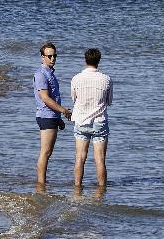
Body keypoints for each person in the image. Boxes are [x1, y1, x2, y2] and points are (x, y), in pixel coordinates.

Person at [70, 48, 112, 188]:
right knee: (100, 159)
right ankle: (101, 191)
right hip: (99, 121)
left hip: (81, 121)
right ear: (98, 61)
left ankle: (77, 188)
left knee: (80, 158)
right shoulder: (106, 79)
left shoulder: (76, 78)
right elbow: (109, 102)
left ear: (85, 60)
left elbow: (74, 99)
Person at [34, 41, 72, 185]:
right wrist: (63, 111)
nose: (52, 59)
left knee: (47, 153)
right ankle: (41, 184)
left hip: (51, 116)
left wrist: (58, 118)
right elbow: (45, 98)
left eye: (54, 56)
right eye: (49, 56)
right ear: (42, 57)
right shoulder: (41, 74)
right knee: (45, 152)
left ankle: (42, 182)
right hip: (46, 116)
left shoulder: (50, 73)